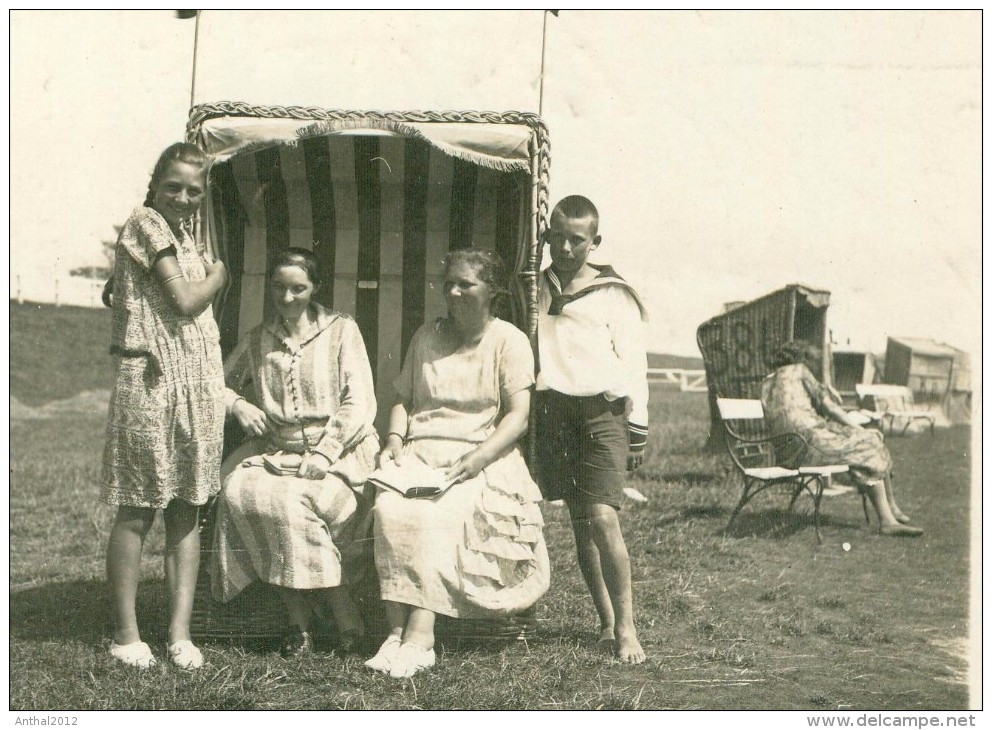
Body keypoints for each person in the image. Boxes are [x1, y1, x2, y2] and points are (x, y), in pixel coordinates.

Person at [368, 248, 550, 679]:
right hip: (419, 451)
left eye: (464, 284)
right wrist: (394, 439)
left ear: (491, 291)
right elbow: (403, 400)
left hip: (481, 454)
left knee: (442, 515)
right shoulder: (426, 337)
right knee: (390, 510)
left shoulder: (509, 340)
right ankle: (394, 634)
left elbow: (518, 417)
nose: (452, 291)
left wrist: (478, 458)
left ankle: (421, 636)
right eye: (448, 282)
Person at [210, 248, 379, 656]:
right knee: (238, 494)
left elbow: (360, 402)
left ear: (315, 288)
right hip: (277, 453)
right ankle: (298, 622)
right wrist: (239, 404)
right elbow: (214, 381)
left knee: (295, 503)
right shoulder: (258, 338)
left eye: (298, 289)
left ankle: (343, 613)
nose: (287, 298)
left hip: (342, 452)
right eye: (279, 288)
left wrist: (325, 452)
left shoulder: (341, 330)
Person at [101, 142, 227, 670]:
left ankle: (179, 634)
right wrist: (220, 274)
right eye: (173, 186)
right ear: (155, 184)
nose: (183, 197)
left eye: (194, 191)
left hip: (196, 380)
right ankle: (127, 635)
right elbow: (185, 300)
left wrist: (130, 297)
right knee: (139, 506)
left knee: (187, 510)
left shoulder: (182, 238)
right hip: (151, 380)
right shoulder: (147, 223)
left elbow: (116, 292)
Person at [534, 195, 649, 665]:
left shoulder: (613, 292)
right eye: (556, 236)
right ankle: (604, 621)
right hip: (556, 413)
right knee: (580, 524)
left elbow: (635, 363)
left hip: (603, 413)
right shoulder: (536, 287)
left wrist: (637, 427)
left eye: (576, 239)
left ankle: (627, 629)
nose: (564, 246)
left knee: (603, 517)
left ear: (593, 241)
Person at [760, 341, 923, 538]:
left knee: (862, 445)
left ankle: (892, 510)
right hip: (809, 442)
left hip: (787, 452)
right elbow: (830, 408)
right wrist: (859, 428)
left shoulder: (767, 382)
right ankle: (888, 519)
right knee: (869, 444)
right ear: (801, 358)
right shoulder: (799, 370)